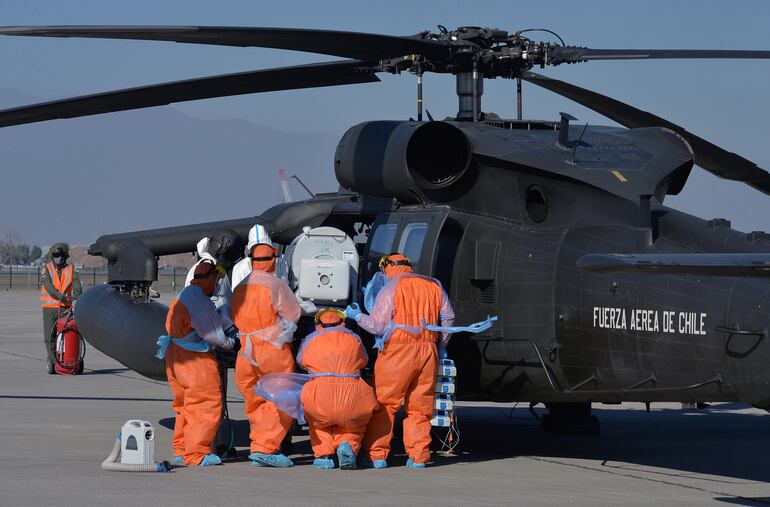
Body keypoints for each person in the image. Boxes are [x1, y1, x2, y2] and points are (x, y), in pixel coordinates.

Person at [347, 252, 455, 469]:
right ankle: (419, 457)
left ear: (387, 267)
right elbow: (448, 318)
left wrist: (357, 316)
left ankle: (377, 456)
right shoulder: (434, 286)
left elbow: (378, 326)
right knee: (420, 408)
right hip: (428, 352)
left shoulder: (390, 288)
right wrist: (441, 345)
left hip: (396, 353)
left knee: (385, 405)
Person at [157, 259, 236, 467]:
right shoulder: (200, 301)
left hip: (175, 357)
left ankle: (182, 449)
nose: (217, 286)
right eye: (216, 281)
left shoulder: (184, 295)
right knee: (205, 403)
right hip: (195, 359)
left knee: (184, 406)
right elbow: (214, 335)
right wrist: (231, 342)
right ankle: (197, 453)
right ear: (209, 279)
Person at [231, 243, 301, 467]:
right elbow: (293, 313)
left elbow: (233, 317)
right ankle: (266, 448)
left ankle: (259, 445)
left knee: (255, 401)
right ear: (273, 260)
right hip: (272, 350)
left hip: (245, 352)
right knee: (280, 399)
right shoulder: (275, 284)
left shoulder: (240, 287)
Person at [298, 309, 378, 470]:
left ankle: (324, 456)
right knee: (353, 426)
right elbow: (364, 360)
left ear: (318, 324)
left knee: (318, 425)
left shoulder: (311, 339)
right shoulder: (354, 338)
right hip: (352, 393)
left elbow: (301, 361)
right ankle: (347, 444)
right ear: (342, 322)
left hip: (320, 393)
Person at [40, 243, 82, 374]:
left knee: (67, 335)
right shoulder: (46, 269)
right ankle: (54, 361)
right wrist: (61, 296)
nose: (57, 258)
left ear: (65, 256)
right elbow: (49, 287)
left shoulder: (71, 269)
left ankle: (69, 359)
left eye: (60, 256)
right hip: (49, 308)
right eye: (55, 256)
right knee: (50, 336)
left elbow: (77, 286)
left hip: (65, 309)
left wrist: (77, 296)